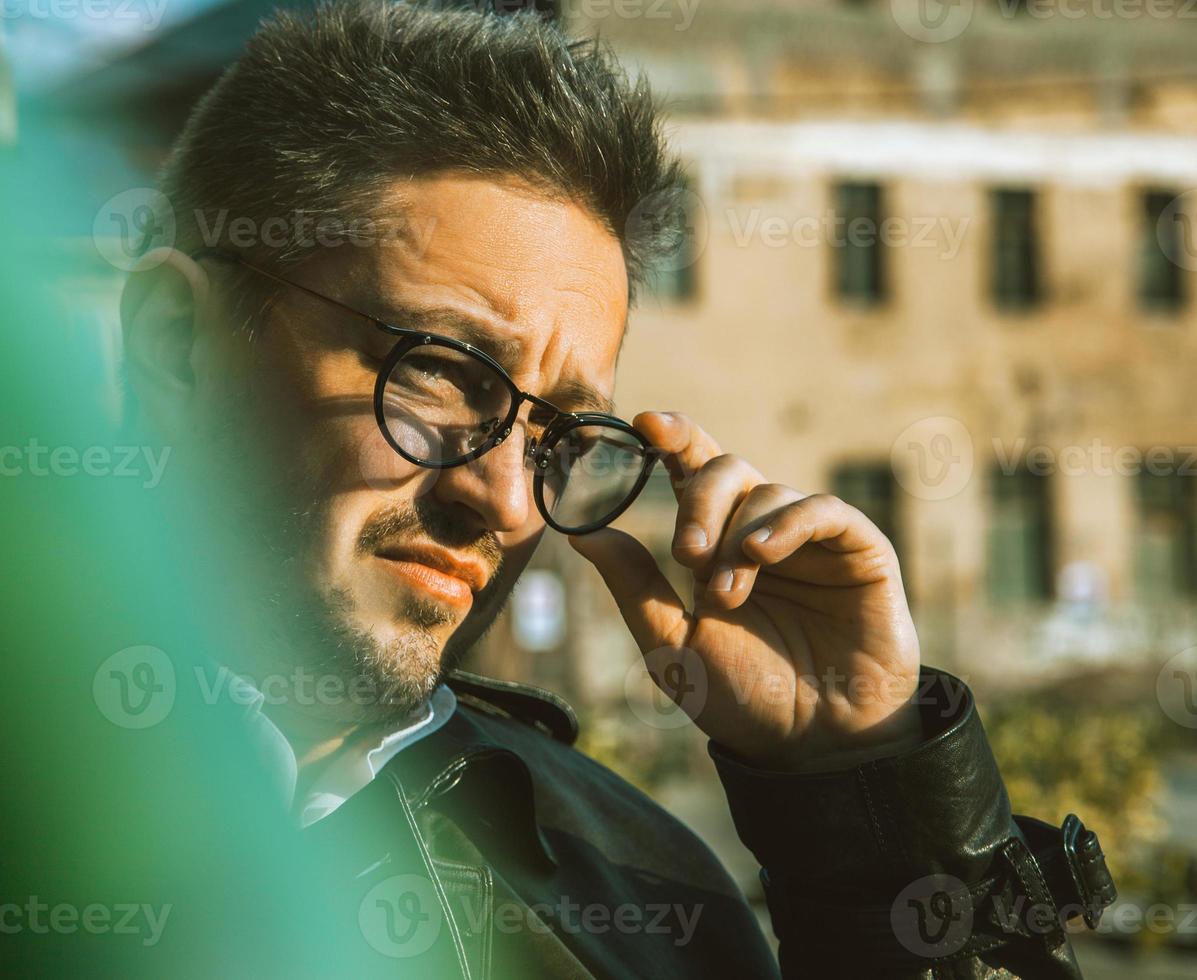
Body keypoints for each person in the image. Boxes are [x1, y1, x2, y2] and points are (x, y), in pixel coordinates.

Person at [115, 2, 1115, 976]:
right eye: (442, 370)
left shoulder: (643, 902)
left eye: (557, 430)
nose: (507, 500)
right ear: (176, 345)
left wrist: (870, 811)